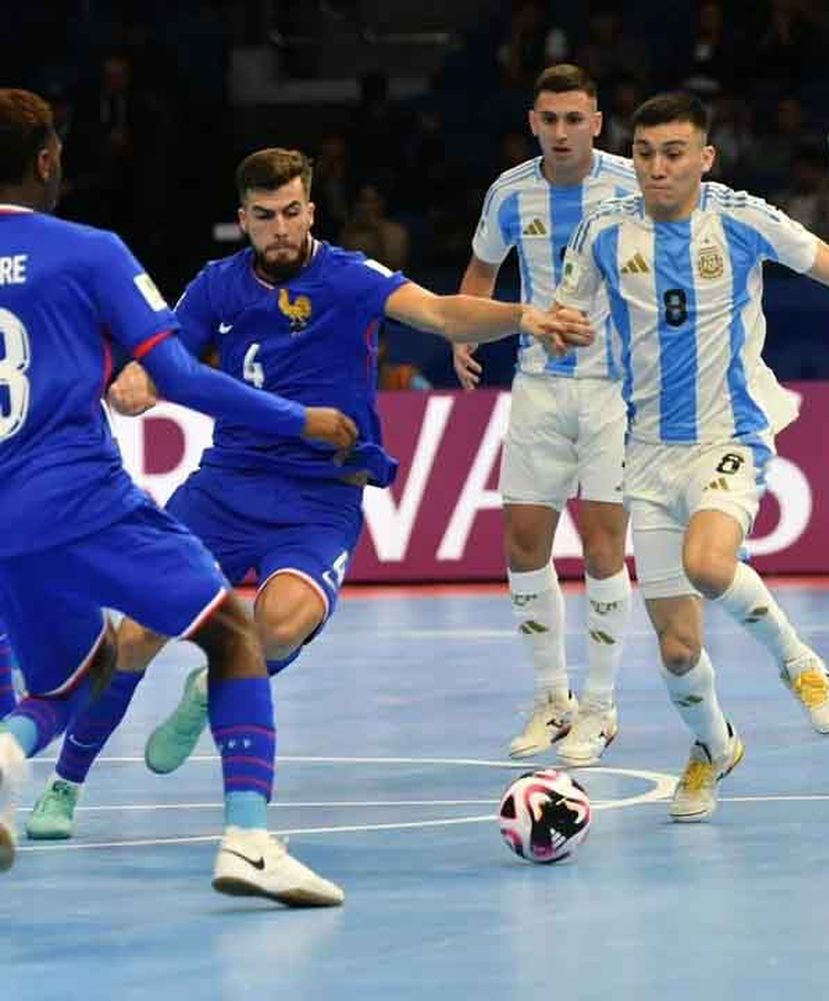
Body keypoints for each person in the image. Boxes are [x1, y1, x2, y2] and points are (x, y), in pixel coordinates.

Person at [23, 146, 591, 841]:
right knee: (137, 632)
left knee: (281, 623)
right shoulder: (215, 285)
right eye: (265, 216)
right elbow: (161, 361)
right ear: (244, 220)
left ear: (311, 211)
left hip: (320, 496)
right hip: (225, 488)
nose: (281, 228)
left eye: (292, 212)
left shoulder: (350, 278)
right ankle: (64, 785)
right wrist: (136, 386)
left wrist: (524, 316)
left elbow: (442, 313)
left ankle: (210, 690)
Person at [0, 89, 361, 903]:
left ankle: (8, 758)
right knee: (233, 634)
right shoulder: (88, 250)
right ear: (49, 160)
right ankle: (247, 840)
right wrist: (299, 419)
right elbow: (184, 378)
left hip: (3, 519)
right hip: (81, 501)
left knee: (69, 678)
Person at [554, 92, 829, 821]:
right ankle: (713, 747)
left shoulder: (739, 217)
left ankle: (800, 662)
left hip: (729, 435)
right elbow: (565, 313)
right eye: (644, 153)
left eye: (674, 154)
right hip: (645, 454)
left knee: (710, 563)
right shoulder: (603, 231)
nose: (656, 168)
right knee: (675, 649)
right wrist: (560, 330)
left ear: (705, 158)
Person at [452, 65, 639, 768]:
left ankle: (601, 705)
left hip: (613, 391)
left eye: (574, 118)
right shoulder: (510, 192)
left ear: (596, 121)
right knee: (524, 542)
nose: (561, 131)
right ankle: (551, 697)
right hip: (537, 385)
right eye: (549, 119)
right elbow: (479, 271)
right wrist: (463, 333)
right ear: (533, 122)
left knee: (601, 547)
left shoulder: (629, 187)